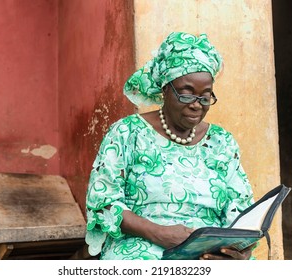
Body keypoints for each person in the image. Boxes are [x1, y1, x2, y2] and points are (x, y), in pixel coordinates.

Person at [84, 31, 255, 260]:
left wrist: (235, 249)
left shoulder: (221, 141)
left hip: (210, 250)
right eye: (187, 94)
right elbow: (103, 203)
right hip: (141, 244)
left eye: (205, 97)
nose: (197, 105)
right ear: (165, 90)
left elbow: (241, 206)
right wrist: (158, 233)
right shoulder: (127, 133)